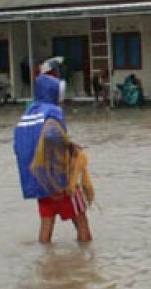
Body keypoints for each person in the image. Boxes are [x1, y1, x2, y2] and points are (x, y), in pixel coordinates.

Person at [14, 72, 93, 243]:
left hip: (38, 183)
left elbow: (21, 147)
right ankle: (86, 261)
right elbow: (51, 136)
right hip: (60, 181)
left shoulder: (27, 115)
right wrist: (69, 148)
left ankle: (46, 263)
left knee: (46, 226)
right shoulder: (53, 111)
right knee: (81, 222)